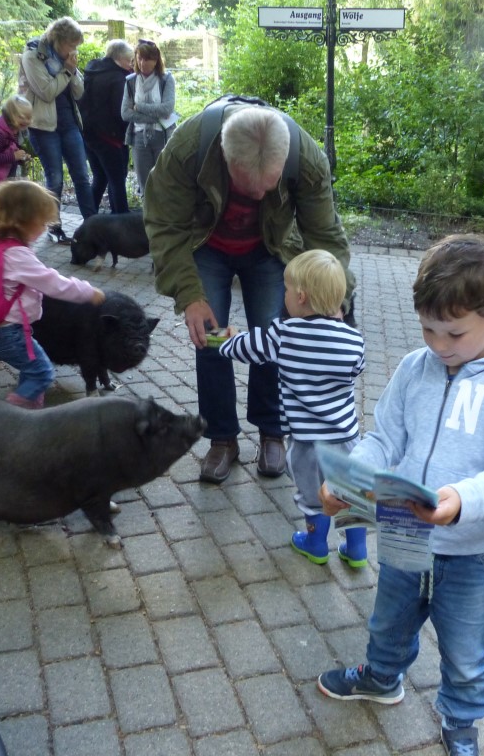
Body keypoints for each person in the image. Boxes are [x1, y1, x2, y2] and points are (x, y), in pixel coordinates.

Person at [315, 235, 484, 756]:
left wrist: (462, 498)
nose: (439, 345)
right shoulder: (413, 368)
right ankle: (381, 677)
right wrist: (349, 478)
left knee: (465, 649)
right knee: (388, 620)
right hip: (405, 532)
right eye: (428, 329)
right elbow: (383, 438)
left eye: (455, 333)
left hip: (471, 552)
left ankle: (461, 718)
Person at [144, 101, 354, 484]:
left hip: (270, 249)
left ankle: (272, 431)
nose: (259, 195)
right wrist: (189, 294)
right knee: (209, 337)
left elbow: (324, 235)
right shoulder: (187, 149)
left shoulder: (305, 158)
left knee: (276, 333)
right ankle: (222, 437)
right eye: (247, 185)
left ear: (284, 160)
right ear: (225, 157)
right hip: (206, 246)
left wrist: (333, 299)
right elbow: (163, 224)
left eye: (269, 185)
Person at [218, 250, 367, 566]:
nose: (283, 296)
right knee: (349, 492)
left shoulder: (284, 334)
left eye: (285, 290)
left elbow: (248, 347)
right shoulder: (354, 340)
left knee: (313, 495)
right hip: (346, 439)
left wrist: (228, 340)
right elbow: (357, 369)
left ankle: (315, 544)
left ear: (300, 296)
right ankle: (356, 551)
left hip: (307, 442)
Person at [0, 180, 105, 409]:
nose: (45, 228)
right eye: (42, 222)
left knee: (31, 368)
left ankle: (33, 409)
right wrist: (87, 292)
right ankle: (12, 415)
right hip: (6, 332)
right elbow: (53, 283)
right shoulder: (17, 255)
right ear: (23, 222)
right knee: (42, 372)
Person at [18, 16, 97, 238]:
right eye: (71, 46)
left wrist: (71, 70)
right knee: (55, 179)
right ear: (58, 41)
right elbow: (47, 91)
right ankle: (54, 227)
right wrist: (67, 71)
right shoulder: (33, 56)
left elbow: (79, 92)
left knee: (81, 175)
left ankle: (93, 225)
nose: (74, 50)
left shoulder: (66, 61)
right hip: (43, 127)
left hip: (69, 123)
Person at [81, 39, 134, 213]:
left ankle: (90, 216)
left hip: (89, 135)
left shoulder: (93, 70)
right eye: (129, 60)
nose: (131, 65)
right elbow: (121, 112)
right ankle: (121, 220)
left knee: (101, 178)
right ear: (119, 58)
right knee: (118, 180)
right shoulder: (118, 78)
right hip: (110, 138)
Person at [121, 39, 176, 196]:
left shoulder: (166, 79)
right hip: (139, 137)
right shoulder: (131, 82)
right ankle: (147, 218)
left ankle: (164, 219)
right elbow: (125, 113)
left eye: (147, 59)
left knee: (163, 183)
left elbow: (167, 108)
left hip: (162, 136)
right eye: (139, 57)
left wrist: (139, 108)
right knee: (145, 186)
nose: (142, 62)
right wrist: (155, 116)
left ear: (155, 60)